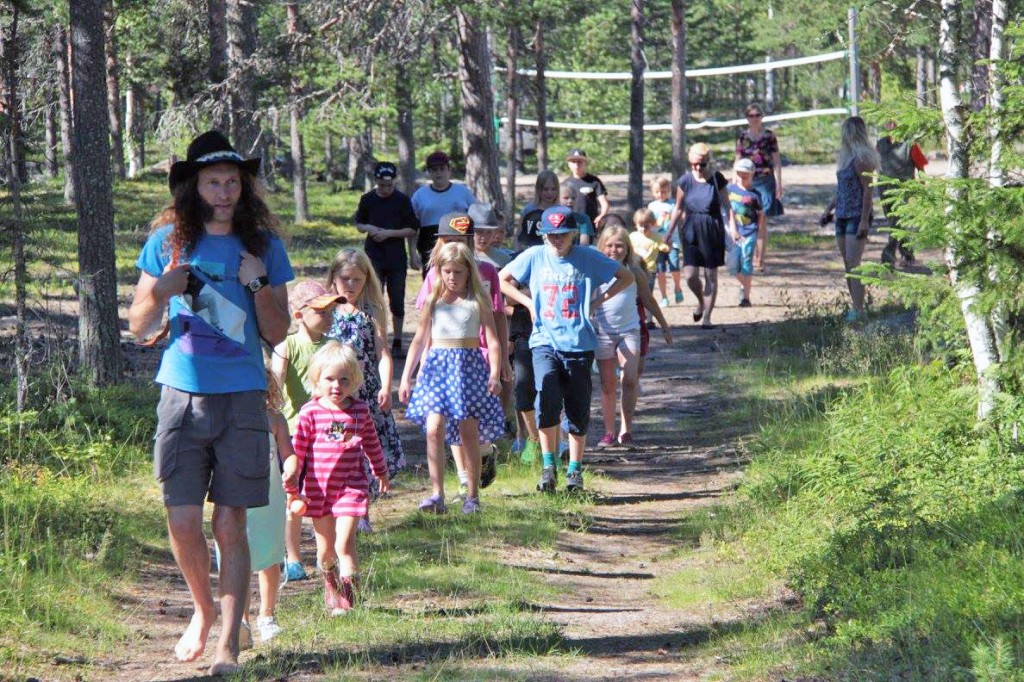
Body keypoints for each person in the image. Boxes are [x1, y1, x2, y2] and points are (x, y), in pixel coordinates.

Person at [127, 130, 293, 675]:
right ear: (193, 188)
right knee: (180, 519)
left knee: (230, 524)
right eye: (212, 182)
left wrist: (260, 283)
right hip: (181, 394)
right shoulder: (169, 243)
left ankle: (228, 643)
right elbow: (138, 326)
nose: (223, 192)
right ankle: (201, 611)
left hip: (242, 396)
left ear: (243, 189)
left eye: (232, 183)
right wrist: (162, 290)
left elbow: (277, 329)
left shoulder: (264, 248)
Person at [499, 206, 635, 494]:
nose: (557, 240)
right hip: (544, 342)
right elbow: (502, 280)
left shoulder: (587, 257)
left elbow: (626, 277)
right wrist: (526, 302)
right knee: (546, 399)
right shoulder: (535, 256)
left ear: (573, 234)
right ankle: (548, 466)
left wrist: (596, 303)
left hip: (580, 344)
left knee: (577, 408)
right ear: (544, 235)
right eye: (551, 235)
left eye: (562, 235)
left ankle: (574, 470)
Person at [400, 242, 505, 515]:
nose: (452, 277)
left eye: (458, 272)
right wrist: (406, 377)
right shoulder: (433, 300)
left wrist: (494, 372)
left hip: (467, 367)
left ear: (468, 272)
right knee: (434, 428)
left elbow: (492, 341)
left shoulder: (476, 300)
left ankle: (472, 495)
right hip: (437, 369)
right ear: (439, 271)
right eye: (447, 271)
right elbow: (420, 340)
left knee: (468, 432)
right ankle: (437, 494)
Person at [289, 342, 390, 615]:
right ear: (317, 380)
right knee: (325, 552)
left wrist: (380, 470)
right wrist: (292, 488)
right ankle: (331, 590)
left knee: (344, 543)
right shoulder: (310, 412)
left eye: (344, 379)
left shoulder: (359, 411)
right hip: (318, 490)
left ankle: (349, 599)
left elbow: (371, 442)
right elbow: (297, 452)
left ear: (354, 381)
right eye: (330, 379)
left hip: (351, 486)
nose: (337, 385)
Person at [415, 211, 510, 497]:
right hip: (445, 358)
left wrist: (502, 358)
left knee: (470, 427)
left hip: (478, 355)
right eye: (450, 239)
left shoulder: (487, 271)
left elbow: (498, 317)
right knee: (448, 421)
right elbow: (426, 325)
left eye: (463, 239)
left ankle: (483, 453)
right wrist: (423, 364)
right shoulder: (436, 273)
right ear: (440, 242)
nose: (458, 244)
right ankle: (464, 479)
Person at [215, 367, 299, 646]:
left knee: (269, 556)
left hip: (269, 500)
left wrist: (290, 469)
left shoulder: (274, 420)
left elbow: (288, 454)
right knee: (235, 556)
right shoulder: (224, 418)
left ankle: (267, 614)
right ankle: (240, 621)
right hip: (234, 499)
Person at [324, 249, 407, 526]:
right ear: (334, 278)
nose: (350, 285)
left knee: (363, 448)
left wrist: (386, 386)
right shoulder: (326, 311)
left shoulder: (371, 312)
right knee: (336, 447)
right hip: (334, 394)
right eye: (345, 278)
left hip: (366, 392)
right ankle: (331, 509)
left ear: (367, 280)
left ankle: (361, 512)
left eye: (357, 280)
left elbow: (382, 353)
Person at [273, 280, 346, 582]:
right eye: (321, 311)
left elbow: (348, 385)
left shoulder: (334, 347)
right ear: (299, 314)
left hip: (327, 437)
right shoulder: (286, 346)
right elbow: (275, 385)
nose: (329, 317)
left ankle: (326, 555)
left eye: (331, 310)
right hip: (293, 436)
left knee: (325, 498)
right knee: (292, 498)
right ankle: (291, 558)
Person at [594, 225, 672, 448]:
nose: (614, 250)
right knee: (607, 384)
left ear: (627, 248)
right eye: (609, 245)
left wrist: (664, 325)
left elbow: (649, 300)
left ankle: (626, 429)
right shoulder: (596, 270)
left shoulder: (634, 271)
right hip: (603, 332)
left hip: (629, 331)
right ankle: (608, 432)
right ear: (602, 247)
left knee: (629, 379)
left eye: (619, 245)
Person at [353, 161, 419, 359]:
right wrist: (370, 228)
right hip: (373, 256)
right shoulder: (367, 199)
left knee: (397, 300)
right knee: (373, 299)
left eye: (389, 185)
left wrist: (390, 233)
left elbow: (412, 229)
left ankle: (397, 340)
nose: (386, 189)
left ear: (395, 182)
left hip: (396, 257)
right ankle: (374, 340)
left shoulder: (402, 200)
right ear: (376, 181)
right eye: (382, 185)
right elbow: (359, 223)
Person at [821, 116, 878, 322]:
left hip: (856, 215)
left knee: (854, 262)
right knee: (847, 263)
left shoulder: (861, 159)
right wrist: (828, 209)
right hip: (842, 214)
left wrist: (864, 220)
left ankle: (859, 308)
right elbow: (841, 189)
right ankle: (855, 306)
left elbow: (867, 191)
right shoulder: (844, 158)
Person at [666, 142, 729, 329]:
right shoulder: (685, 180)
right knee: (690, 275)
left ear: (708, 162)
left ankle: (707, 318)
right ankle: (701, 301)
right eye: (694, 164)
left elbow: (728, 207)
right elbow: (678, 208)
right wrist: (668, 233)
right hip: (691, 228)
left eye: (702, 164)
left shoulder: (718, 179)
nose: (698, 168)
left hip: (712, 227)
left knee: (711, 274)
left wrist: (732, 228)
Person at [411, 150, 477, 275]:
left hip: (459, 239)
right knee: (432, 278)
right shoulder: (419, 195)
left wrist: (474, 245)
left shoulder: (462, 192)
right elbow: (413, 227)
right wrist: (412, 251)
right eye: (434, 169)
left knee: (458, 275)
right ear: (429, 172)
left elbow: (476, 218)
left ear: (449, 170)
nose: (438, 173)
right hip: (428, 241)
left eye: (442, 168)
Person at [735, 102, 784, 271]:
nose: (754, 119)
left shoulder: (769, 136)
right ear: (747, 118)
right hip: (747, 181)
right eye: (751, 116)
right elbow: (738, 159)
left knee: (762, 219)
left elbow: (777, 160)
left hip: (765, 180)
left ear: (761, 117)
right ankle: (751, 254)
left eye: (757, 115)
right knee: (748, 219)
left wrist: (779, 183)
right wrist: (735, 181)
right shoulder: (743, 137)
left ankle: (761, 260)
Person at [877, 121, 927, 267]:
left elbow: (921, 167)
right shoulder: (880, 145)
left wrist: (922, 187)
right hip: (884, 189)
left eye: (894, 124)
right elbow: (874, 163)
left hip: (903, 189)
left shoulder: (910, 145)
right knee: (895, 221)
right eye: (888, 123)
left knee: (899, 222)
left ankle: (890, 254)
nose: (891, 126)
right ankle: (906, 255)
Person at [726, 158, 764, 307]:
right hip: (734, 232)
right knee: (731, 265)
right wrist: (733, 229)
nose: (742, 177)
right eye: (740, 173)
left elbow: (760, 213)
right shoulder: (730, 190)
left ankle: (746, 298)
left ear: (752, 175)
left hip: (749, 231)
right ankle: (745, 285)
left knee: (747, 263)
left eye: (746, 174)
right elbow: (729, 211)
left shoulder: (755, 195)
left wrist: (758, 229)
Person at [648, 175, 684, 308]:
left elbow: (680, 218)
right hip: (657, 243)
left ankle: (677, 287)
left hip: (672, 242)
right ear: (652, 192)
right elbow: (650, 225)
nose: (660, 194)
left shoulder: (674, 204)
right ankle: (664, 296)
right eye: (657, 192)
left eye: (663, 191)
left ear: (668, 190)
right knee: (660, 271)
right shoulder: (651, 206)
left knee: (675, 266)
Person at [564, 148, 610, 229]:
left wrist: (601, 217)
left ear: (585, 163)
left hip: (589, 226)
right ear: (568, 164)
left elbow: (604, 204)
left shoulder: (594, 181)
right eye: (573, 162)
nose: (576, 165)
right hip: (570, 226)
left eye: (579, 161)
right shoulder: (565, 184)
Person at [519, 170, 559, 249]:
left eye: (553, 189)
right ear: (538, 189)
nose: (550, 193)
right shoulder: (528, 210)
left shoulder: (560, 211)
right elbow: (519, 235)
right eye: (546, 189)